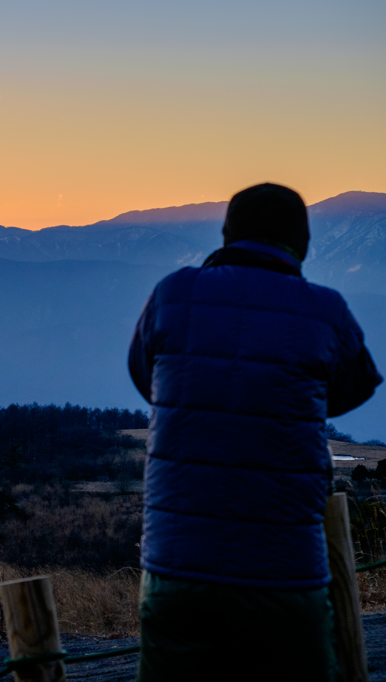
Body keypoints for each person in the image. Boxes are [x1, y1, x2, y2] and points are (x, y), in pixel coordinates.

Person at [128, 183, 382, 682]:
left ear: (225, 235)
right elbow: (357, 386)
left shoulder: (173, 294)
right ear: (304, 245)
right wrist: (288, 398)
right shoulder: (324, 310)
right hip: (286, 573)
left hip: (176, 569)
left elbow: (147, 377)